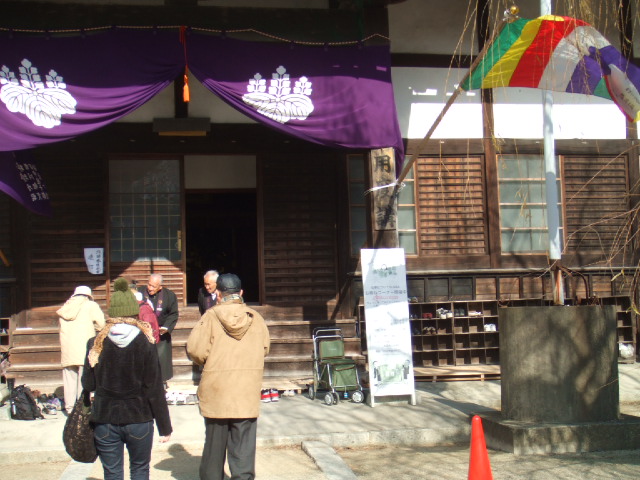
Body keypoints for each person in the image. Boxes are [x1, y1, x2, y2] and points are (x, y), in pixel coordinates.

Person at [82, 277, 172, 480]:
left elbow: (88, 384)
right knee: (140, 470)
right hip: (139, 417)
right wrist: (164, 426)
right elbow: (154, 388)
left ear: (111, 313)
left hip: (105, 418)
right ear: (134, 312)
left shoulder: (95, 343)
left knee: (112, 472)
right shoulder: (146, 342)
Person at [186, 273, 270, 480]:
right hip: (246, 391)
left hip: (217, 391)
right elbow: (265, 348)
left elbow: (195, 350)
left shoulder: (210, 317)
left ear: (218, 294)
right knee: (243, 448)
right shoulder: (256, 318)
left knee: (214, 448)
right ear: (241, 292)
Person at [56, 285, 105, 414]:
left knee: (69, 379)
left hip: (68, 348)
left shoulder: (66, 307)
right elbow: (102, 324)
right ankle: (81, 408)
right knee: (84, 378)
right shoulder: (91, 305)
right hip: (84, 347)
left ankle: (70, 409)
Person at [140, 273, 179, 383]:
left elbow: (173, 314)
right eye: (149, 284)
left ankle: (162, 382)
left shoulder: (169, 295)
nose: (150, 288)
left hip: (161, 332)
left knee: (162, 359)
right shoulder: (140, 292)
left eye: (153, 286)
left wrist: (167, 327)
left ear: (160, 287)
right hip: (143, 332)